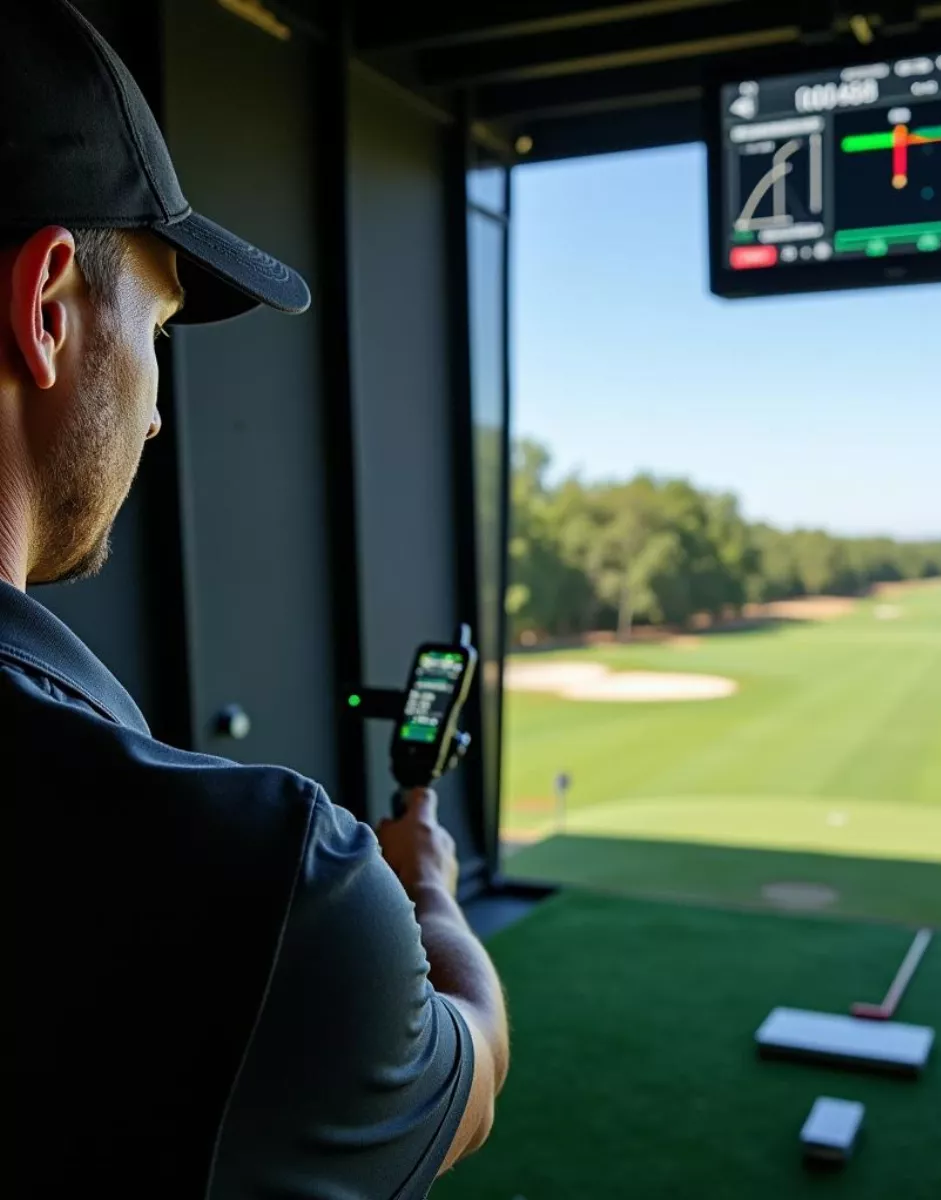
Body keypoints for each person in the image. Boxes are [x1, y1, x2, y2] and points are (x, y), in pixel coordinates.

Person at [1, 3, 508, 1197]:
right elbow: (470, 1075)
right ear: (49, 310)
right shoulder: (258, 887)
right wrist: (420, 884)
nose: (162, 409)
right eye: (161, 325)